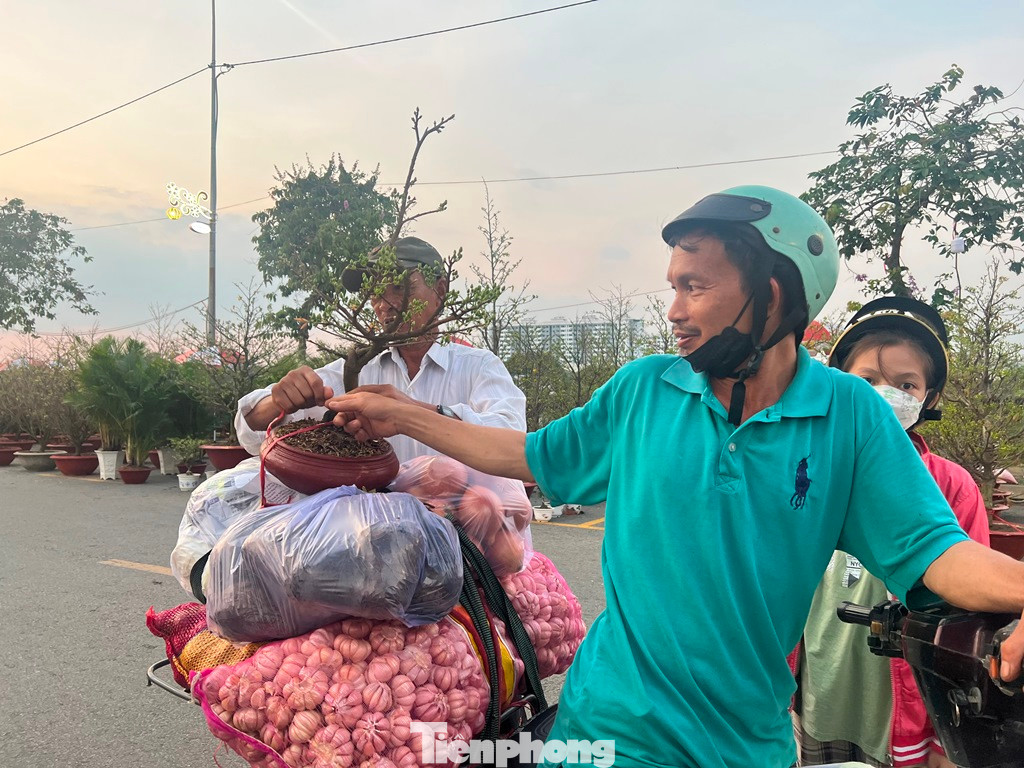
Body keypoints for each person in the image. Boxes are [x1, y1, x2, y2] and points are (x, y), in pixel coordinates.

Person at [323, 186, 1024, 768]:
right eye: (674, 288)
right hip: (605, 729)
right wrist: (405, 415)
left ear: (775, 295)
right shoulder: (642, 391)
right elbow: (527, 455)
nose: (675, 311)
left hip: (745, 745)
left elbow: (938, 553)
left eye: (696, 286)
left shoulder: (851, 419)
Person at [793, 298, 990, 768]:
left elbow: (968, 623)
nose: (886, 395)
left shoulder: (949, 486)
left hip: (906, 711)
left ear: (929, 398)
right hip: (819, 693)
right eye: (867, 381)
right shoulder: (805, 473)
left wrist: (948, 740)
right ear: (838, 383)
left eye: (906, 384)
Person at [234, 236, 527, 462]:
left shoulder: (478, 367)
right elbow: (249, 432)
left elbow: (511, 438)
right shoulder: (359, 370)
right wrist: (279, 400)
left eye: (398, 288)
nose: (384, 305)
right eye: (374, 293)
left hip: (465, 533)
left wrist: (410, 411)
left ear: (440, 290)